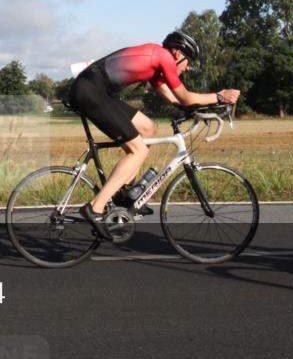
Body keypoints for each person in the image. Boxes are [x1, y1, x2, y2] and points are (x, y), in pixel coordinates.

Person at [68, 31, 240, 238]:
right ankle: (95, 208)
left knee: (148, 128)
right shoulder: (163, 57)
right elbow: (185, 96)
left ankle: (125, 194)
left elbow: (176, 99)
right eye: (187, 62)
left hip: (97, 90)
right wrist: (219, 96)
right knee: (137, 151)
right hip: (90, 90)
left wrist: (198, 110)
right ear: (177, 53)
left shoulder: (155, 64)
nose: (186, 68)